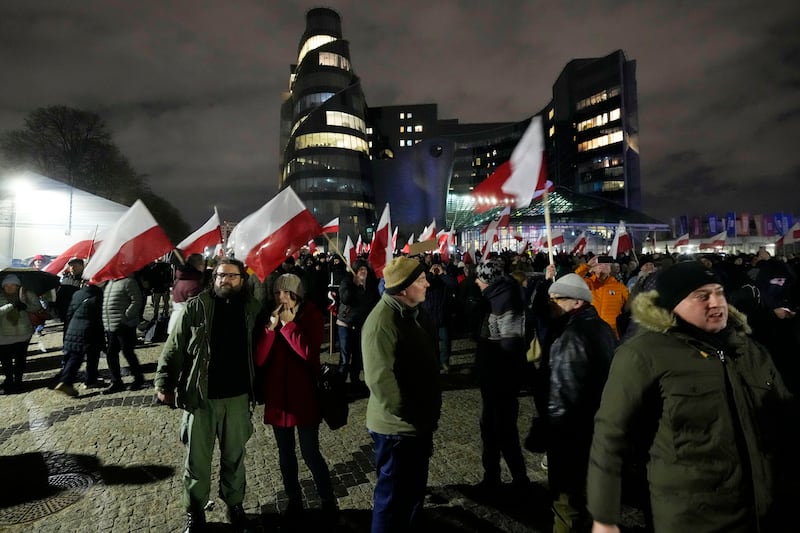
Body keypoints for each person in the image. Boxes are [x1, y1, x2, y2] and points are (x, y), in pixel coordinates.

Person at [587, 261, 799, 532]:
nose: (716, 302)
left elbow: (786, 416)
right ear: (673, 303)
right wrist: (604, 517)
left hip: (763, 510)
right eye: (702, 296)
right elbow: (610, 436)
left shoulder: (749, 350)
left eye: (719, 292)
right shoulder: (643, 355)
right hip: (693, 517)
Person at [155, 258, 261, 533]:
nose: (225, 280)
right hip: (201, 397)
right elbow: (174, 346)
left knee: (234, 458)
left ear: (242, 280)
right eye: (221, 275)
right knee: (197, 460)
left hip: (237, 398)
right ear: (213, 278)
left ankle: (235, 505)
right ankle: (195, 511)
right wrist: (164, 382)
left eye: (232, 276)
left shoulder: (252, 308)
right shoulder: (197, 307)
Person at [361, 256, 441, 532]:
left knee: (413, 493)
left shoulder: (414, 313)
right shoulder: (382, 322)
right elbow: (380, 381)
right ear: (404, 288)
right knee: (391, 498)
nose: (427, 284)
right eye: (421, 280)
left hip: (415, 425)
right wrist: (411, 414)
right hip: (397, 429)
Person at [254, 273, 337, 518]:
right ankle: (293, 498)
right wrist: (270, 330)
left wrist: (289, 326)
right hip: (279, 399)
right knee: (285, 454)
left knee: (310, 452)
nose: (282, 298)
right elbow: (259, 358)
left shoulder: (311, 315)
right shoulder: (269, 316)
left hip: (304, 398)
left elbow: (309, 355)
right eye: (278, 293)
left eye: (288, 293)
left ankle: (327, 498)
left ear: (298, 294)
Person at [542, 269, 616, 532]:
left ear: (577, 302)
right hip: (594, 429)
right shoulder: (601, 328)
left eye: (557, 299)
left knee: (566, 505)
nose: (551, 304)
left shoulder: (571, 337)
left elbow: (563, 394)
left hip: (572, 436)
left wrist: (549, 434)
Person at [473, 258, 530, 491]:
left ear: (488, 279)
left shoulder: (506, 299)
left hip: (502, 381)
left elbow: (510, 345)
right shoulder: (493, 297)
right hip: (492, 379)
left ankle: (520, 481)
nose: (475, 281)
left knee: (504, 432)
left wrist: (494, 367)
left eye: (479, 277)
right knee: (489, 429)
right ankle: (492, 478)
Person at [54, 281, 106, 396]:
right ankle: (73, 381)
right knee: (91, 355)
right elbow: (99, 318)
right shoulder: (97, 296)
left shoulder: (77, 294)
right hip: (89, 330)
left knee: (75, 355)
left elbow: (69, 313)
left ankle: (71, 380)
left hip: (73, 327)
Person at [336, 259, 379, 392]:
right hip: (345, 323)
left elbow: (374, 301)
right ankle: (340, 383)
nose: (363, 272)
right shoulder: (347, 282)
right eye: (360, 270)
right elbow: (345, 299)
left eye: (365, 270)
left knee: (357, 355)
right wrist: (354, 285)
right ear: (355, 271)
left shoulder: (370, 284)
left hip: (361, 325)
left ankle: (355, 380)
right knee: (345, 356)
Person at [101, 275, 146, 393]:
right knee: (111, 353)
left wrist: (126, 316)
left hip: (124, 325)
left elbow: (137, 300)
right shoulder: (110, 282)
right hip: (111, 326)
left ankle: (138, 378)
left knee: (127, 352)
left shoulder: (128, 281)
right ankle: (116, 381)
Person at [0, 274, 44, 392]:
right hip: (4, 335)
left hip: (23, 333)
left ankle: (18, 381)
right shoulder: (0, 296)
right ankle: (9, 380)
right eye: (6, 285)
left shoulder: (26, 293)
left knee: (20, 359)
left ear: (18, 285)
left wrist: (25, 306)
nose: (9, 287)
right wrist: (11, 306)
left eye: (12, 285)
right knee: (6, 361)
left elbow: (37, 307)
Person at [574, 255, 628, 339]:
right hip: (591, 332)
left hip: (612, 333)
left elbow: (631, 305)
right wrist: (587, 266)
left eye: (606, 264)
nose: (603, 265)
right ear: (593, 269)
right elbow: (572, 280)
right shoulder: (588, 284)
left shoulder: (620, 287)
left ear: (610, 269)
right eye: (599, 263)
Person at [422, 259, 457, 373]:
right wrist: (431, 274)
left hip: (442, 315)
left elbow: (454, 284)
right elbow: (423, 284)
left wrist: (442, 274)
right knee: (431, 343)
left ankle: (444, 362)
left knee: (445, 343)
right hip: (429, 317)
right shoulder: (426, 278)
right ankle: (434, 363)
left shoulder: (444, 279)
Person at [168, 253, 206, 335]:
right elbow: (196, 309)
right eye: (203, 263)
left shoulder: (179, 280)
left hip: (175, 321)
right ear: (199, 265)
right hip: (187, 325)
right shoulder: (194, 284)